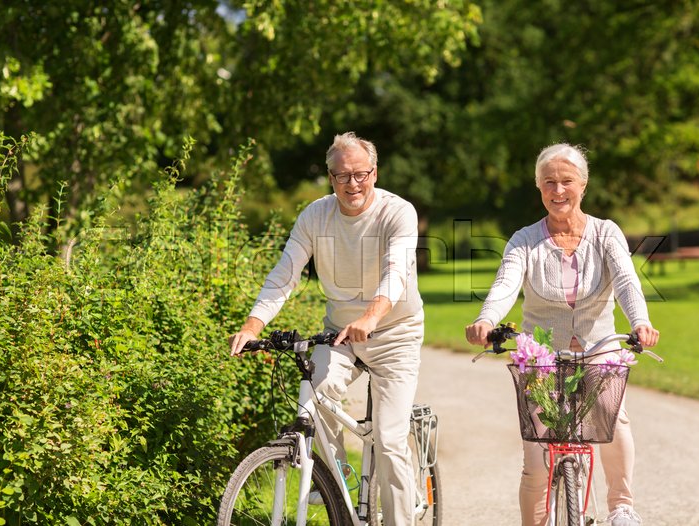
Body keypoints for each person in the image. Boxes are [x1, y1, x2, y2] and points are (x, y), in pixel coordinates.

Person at [229, 131, 424, 526]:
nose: (352, 183)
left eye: (360, 174)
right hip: (339, 333)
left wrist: (371, 316)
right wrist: (253, 324)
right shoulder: (315, 216)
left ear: (374, 172)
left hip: (395, 332)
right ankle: (338, 484)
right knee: (314, 396)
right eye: (342, 176)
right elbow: (285, 273)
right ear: (330, 178)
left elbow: (396, 272)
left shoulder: (397, 212)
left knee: (388, 441)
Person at [465, 143, 659, 526]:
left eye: (566, 181)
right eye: (549, 182)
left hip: (598, 348)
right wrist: (486, 320)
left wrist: (640, 322)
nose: (558, 191)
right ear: (538, 187)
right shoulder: (524, 240)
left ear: (583, 185)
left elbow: (626, 282)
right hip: (541, 353)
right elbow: (505, 284)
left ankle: (622, 507)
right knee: (536, 461)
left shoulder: (605, 234)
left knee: (612, 414)